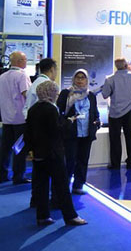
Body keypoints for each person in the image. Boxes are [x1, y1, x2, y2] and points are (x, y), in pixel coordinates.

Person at [24, 80, 87, 226]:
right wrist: (69, 122)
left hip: (39, 154)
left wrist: (30, 150)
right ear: (51, 93)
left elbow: (28, 133)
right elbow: (57, 131)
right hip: (53, 154)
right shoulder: (51, 109)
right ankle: (70, 216)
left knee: (41, 186)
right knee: (62, 186)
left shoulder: (33, 109)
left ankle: (43, 216)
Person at [57, 69, 101, 194]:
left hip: (86, 133)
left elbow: (94, 112)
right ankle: (63, 187)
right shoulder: (66, 93)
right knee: (69, 160)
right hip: (71, 133)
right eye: (78, 77)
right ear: (74, 79)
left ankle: (78, 185)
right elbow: (59, 112)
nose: (80, 80)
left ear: (87, 80)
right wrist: (66, 123)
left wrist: (96, 122)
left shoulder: (90, 95)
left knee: (83, 160)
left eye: (83, 78)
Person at [23, 58, 58, 207]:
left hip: (35, 133)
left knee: (38, 171)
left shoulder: (34, 84)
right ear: (51, 69)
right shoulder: (46, 86)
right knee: (45, 172)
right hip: (44, 137)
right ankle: (43, 202)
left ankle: (36, 200)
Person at [0, 51, 31, 184]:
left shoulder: (2, 77)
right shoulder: (22, 75)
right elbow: (27, 94)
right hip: (20, 119)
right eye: (25, 59)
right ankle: (18, 176)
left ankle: (2, 174)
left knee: (5, 149)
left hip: (6, 118)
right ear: (19, 61)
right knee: (20, 149)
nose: (26, 62)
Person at [102, 58, 131, 169]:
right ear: (126, 65)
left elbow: (105, 95)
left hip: (115, 112)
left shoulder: (110, 79)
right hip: (130, 110)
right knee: (130, 137)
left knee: (115, 139)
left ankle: (115, 163)